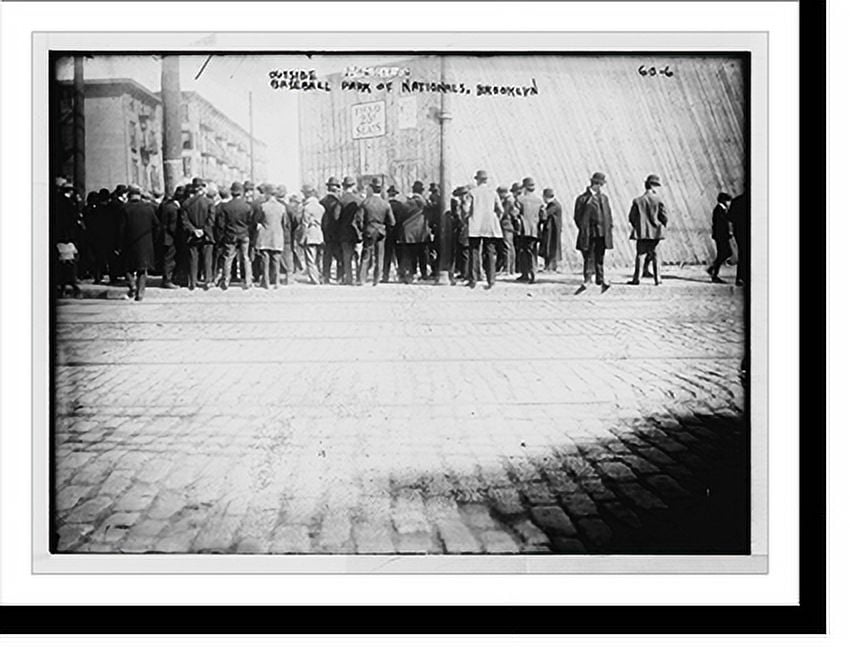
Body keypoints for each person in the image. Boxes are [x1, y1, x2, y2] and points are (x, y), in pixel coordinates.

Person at [574, 171, 614, 294]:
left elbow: (608, 215)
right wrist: (584, 229)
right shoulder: (582, 199)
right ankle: (587, 279)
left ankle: (600, 280)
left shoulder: (604, 198)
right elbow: (577, 217)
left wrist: (608, 228)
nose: (601, 187)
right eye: (599, 184)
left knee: (600, 256)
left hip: (602, 233)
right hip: (589, 232)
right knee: (588, 256)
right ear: (595, 184)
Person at [118, 185, 159, 301]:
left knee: (128, 268)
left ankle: (132, 286)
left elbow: (121, 229)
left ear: (129, 195)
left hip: (129, 243)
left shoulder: (125, 209)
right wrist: (153, 240)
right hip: (145, 243)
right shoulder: (148, 208)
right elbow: (157, 226)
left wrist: (119, 244)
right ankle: (140, 293)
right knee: (142, 269)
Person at [627, 174, 669, 286]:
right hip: (656, 232)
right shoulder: (658, 200)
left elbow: (631, 217)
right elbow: (664, 216)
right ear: (653, 186)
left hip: (641, 233)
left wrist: (639, 225)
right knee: (656, 256)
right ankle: (657, 279)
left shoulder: (637, 200)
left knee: (640, 255)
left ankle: (637, 279)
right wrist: (660, 225)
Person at [466, 170, 503, 290]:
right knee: (490, 252)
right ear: (486, 180)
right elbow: (500, 210)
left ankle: (473, 279)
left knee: (474, 251)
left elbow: (466, 209)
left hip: (475, 224)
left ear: (477, 180)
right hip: (489, 225)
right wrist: (495, 219)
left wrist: (466, 219)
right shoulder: (493, 192)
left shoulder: (472, 192)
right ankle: (491, 280)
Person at [358, 178, 396, 286]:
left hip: (369, 230)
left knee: (366, 255)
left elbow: (359, 219)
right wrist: (385, 228)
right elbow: (392, 222)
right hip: (381, 231)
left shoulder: (365, 202)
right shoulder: (385, 204)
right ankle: (376, 279)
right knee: (380, 255)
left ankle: (362, 279)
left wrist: (363, 229)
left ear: (371, 188)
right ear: (381, 189)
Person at [218, 181, 254, 290]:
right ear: (241, 192)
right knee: (245, 257)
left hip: (230, 235)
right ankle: (248, 281)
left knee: (228, 257)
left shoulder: (226, 207)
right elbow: (250, 222)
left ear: (231, 192)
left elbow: (221, 224)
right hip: (244, 234)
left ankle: (226, 280)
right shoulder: (247, 207)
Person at [181, 181, 216, 290]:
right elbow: (211, 220)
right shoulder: (209, 202)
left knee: (193, 259)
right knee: (207, 259)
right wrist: (204, 230)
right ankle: (207, 281)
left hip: (192, 236)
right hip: (207, 235)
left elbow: (184, 221)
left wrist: (194, 230)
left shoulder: (186, 203)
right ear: (202, 189)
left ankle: (192, 281)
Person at [395, 181, 430, 283]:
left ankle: (413, 272)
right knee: (423, 254)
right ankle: (424, 274)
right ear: (422, 191)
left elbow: (401, 216)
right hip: (422, 232)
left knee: (412, 254)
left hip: (409, 233)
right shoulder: (425, 203)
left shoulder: (407, 203)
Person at [253, 183, 286, 289]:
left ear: (267, 194)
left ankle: (266, 282)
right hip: (277, 236)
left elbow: (256, 221)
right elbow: (285, 223)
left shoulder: (263, 207)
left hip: (265, 236)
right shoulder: (282, 207)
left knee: (265, 261)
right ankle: (277, 282)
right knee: (276, 260)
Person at [515, 177, 544, 283]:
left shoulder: (520, 199)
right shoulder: (539, 200)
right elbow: (543, 216)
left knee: (524, 251)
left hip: (524, 229)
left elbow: (515, 213)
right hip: (535, 229)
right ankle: (533, 272)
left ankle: (527, 274)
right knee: (533, 251)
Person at [337, 176, 362, 285]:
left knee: (347, 257)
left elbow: (336, 217)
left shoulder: (341, 200)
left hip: (343, 232)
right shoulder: (359, 200)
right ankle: (359, 277)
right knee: (358, 256)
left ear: (343, 186)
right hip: (356, 232)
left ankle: (349, 278)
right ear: (353, 186)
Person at [158, 186, 183, 288]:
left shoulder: (164, 205)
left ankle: (167, 278)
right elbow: (173, 226)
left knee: (165, 258)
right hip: (170, 238)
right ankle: (167, 280)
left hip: (162, 236)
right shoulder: (174, 209)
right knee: (169, 259)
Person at [299, 185, 325, 285]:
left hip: (310, 233)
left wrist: (302, 238)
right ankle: (320, 276)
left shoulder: (306, 208)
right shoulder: (321, 207)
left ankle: (315, 279)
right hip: (319, 233)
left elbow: (304, 224)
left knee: (310, 258)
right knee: (319, 258)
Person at [320, 177, 343, 284]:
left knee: (327, 256)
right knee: (339, 256)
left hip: (325, 232)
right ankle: (339, 277)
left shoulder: (322, 201)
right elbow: (336, 218)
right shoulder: (338, 202)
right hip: (336, 232)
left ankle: (326, 276)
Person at [707, 192, 733, 283]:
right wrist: (726, 233)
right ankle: (714, 273)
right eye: (728, 201)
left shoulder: (721, 209)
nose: (729, 203)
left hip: (721, 235)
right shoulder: (719, 210)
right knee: (724, 253)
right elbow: (720, 224)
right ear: (723, 200)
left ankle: (713, 269)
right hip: (721, 236)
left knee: (724, 253)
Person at [381, 185, 402, 282]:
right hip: (398, 232)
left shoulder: (385, 204)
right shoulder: (401, 205)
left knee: (387, 255)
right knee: (399, 255)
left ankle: (385, 275)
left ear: (388, 194)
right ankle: (401, 275)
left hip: (387, 232)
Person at [728, 191, 748, 286]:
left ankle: (741, 278)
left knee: (743, 254)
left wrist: (732, 232)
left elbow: (730, 218)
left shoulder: (736, 201)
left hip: (740, 232)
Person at [452, 185, 472, 281]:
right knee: (462, 251)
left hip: (466, 229)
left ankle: (466, 273)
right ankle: (464, 272)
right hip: (464, 229)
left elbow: (464, 217)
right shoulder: (462, 204)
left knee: (465, 252)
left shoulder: (466, 204)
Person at [540, 188, 563, 272]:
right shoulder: (555, 204)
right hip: (553, 230)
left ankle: (550, 267)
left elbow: (545, 215)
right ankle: (550, 266)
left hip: (552, 231)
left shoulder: (554, 205)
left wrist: (542, 210)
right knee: (550, 247)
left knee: (550, 247)